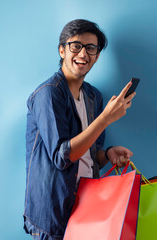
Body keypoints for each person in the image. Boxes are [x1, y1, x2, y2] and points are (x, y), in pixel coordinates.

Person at [23, 19, 136, 239]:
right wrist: (105, 119)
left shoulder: (93, 96)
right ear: (62, 50)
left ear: (97, 56)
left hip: (87, 207)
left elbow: (89, 155)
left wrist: (107, 154)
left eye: (91, 48)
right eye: (76, 46)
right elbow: (62, 156)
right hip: (54, 212)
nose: (83, 53)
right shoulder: (49, 94)